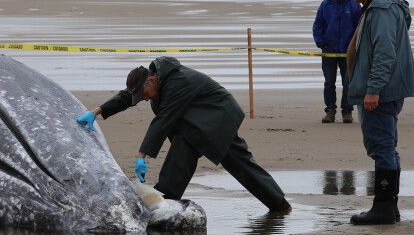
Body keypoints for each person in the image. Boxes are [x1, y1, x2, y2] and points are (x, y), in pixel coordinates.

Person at [76, 56, 291, 215]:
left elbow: (163, 121)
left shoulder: (177, 83)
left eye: (143, 95)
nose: (143, 99)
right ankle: (165, 200)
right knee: (191, 149)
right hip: (199, 122)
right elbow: (126, 97)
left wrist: (142, 156)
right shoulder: (155, 81)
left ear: (150, 81)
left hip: (218, 115)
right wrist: (97, 112)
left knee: (233, 161)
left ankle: (279, 204)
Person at [341, 0, 414, 225]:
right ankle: (389, 206)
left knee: (382, 145)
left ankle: (384, 207)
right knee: (385, 144)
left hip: (382, 91)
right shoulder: (383, 3)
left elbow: (385, 52)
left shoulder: (382, 7)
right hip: (387, 87)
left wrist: (373, 89)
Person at [313, 0, 362, 123]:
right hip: (329, 51)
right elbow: (318, 25)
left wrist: (354, 45)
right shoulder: (325, 5)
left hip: (348, 51)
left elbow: (359, 25)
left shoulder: (354, 4)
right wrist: (322, 43)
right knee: (329, 82)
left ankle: (347, 111)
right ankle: (330, 110)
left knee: (348, 82)